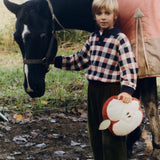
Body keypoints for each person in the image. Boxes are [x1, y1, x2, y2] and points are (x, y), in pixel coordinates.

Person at [53, 0, 138, 159]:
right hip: (93, 91)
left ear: (115, 16)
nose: (103, 17)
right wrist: (55, 60)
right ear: (94, 16)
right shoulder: (93, 38)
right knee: (95, 132)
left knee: (112, 133)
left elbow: (129, 65)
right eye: (99, 14)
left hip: (111, 91)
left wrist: (127, 90)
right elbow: (79, 60)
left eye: (107, 13)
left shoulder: (119, 39)